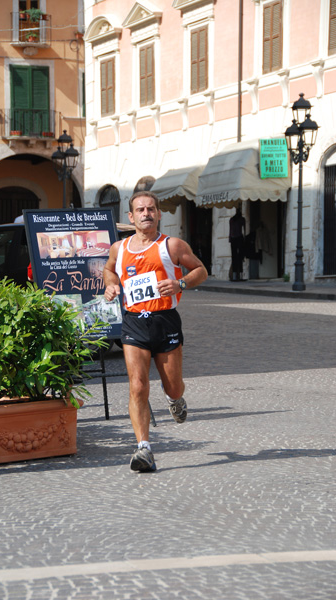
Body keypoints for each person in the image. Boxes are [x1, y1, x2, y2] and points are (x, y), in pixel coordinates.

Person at [103, 191, 208, 473]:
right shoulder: (119, 248)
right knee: (137, 384)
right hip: (135, 321)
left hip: (165, 320)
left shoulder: (172, 245)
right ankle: (144, 449)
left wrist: (181, 284)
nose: (146, 213)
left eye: (151, 209)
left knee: (172, 384)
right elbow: (109, 270)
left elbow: (200, 270)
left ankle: (174, 399)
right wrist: (110, 285)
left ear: (159, 214)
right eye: (140, 209)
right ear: (131, 216)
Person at [229, 206, 246, 281]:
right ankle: (236, 275)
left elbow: (244, 230)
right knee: (236, 257)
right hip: (237, 238)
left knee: (239, 256)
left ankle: (238, 274)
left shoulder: (237, 219)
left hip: (236, 238)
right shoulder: (235, 219)